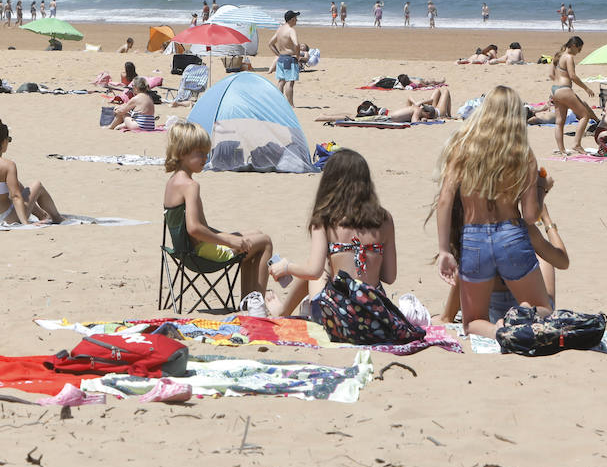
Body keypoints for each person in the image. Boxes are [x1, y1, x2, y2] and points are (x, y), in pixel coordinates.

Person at [433, 85, 552, 338]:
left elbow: (444, 200)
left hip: (474, 237)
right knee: (544, 309)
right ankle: (522, 317)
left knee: (473, 321)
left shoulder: (463, 147)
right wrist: (541, 190)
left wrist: (444, 250)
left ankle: (498, 330)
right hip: (511, 234)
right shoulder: (522, 153)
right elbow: (531, 216)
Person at [268, 149, 398, 319]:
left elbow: (313, 271)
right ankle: (293, 308)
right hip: (374, 316)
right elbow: (390, 276)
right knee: (326, 268)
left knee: (317, 268)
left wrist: (286, 267)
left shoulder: (325, 218)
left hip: (338, 317)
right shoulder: (384, 219)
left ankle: (283, 311)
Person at [163, 123, 274, 315]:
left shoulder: (173, 181)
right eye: (200, 153)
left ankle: (248, 300)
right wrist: (229, 239)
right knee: (265, 242)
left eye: (206, 153)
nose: (205, 158)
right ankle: (257, 303)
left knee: (254, 235)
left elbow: (196, 228)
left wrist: (230, 236)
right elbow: (194, 229)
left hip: (184, 251)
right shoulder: (190, 185)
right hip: (201, 254)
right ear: (182, 152)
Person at [437, 168, 568, 324]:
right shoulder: (523, 229)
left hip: (492, 315)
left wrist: (444, 317)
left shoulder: (472, 232)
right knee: (542, 257)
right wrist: (547, 220)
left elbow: (447, 319)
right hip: (535, 314)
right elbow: (562, 261)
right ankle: (525, 310)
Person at [549, 36, 607, 156]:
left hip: (555, 90)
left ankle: (562, 150)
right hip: (564, 89)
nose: (579, 52)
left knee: (559, 122)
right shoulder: (568, 57)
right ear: (573, 46)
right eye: (579, 49)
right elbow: (573, 76)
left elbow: (551, 75)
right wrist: (586, 88)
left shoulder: (557, 56)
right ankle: (576, 144)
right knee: (584, 115)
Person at [319, 86, 453, 124]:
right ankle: (449, 114)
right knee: (445, 91)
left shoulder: (413, 109)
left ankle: (326, 116)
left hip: (425, 110)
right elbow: (415, 122)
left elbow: (410, 102)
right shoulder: (416, 110)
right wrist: (426, 118)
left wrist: (421, 103)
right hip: (438, 112)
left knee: (438, 91)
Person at [269, 10, 301, 105]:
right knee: (290, 82)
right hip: (290, 58)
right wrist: (298, 56)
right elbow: (296, 44)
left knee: (281, 81)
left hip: (281, 59)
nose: (297, 20)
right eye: (295, 18)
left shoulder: (280, 29)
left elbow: (270, 44)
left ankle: (279, 102)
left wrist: (278, 54)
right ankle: (290, 104)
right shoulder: (291, 30)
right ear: (291, 20)